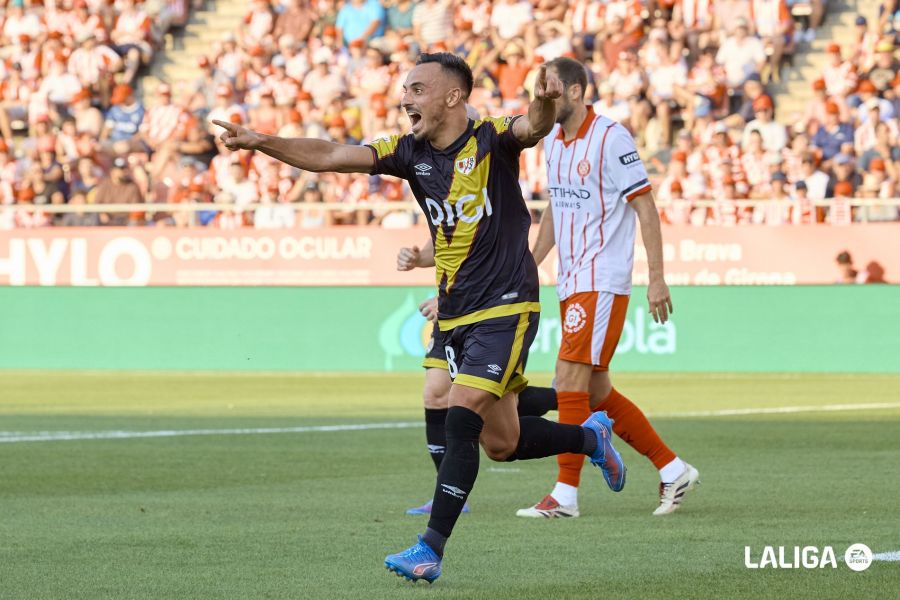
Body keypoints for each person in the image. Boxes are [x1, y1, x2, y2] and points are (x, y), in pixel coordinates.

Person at [215, 53, 627, 584]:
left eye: (415, 88)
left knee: (460, 415)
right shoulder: (406, 151)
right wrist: (262, 141)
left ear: (452, 97)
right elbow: (331, 155)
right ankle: (591, 438)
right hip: (455, 310)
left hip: (506, 302)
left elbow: (535, 125)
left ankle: (429, 549)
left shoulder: (492, 138)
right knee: (500, 444)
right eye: (404, 88)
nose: (403, 98)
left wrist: (545, 97)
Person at [521, 57, 699, 518]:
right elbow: (556, 212)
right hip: (571, 279)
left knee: (568, 379)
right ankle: (672, 469)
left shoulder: (610, 137)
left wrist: (655, 276)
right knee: (595, 390)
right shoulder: (552, 143)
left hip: (602, 279)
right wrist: (530, 265)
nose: (546, 97)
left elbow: (645, 207)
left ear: (577, 92)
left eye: (553, 89)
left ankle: (565, 494)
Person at [395, 245, 559, 517]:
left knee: (499, 426)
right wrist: (416, 258)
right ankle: (445, 494)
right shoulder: (441, 204)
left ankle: (569, 400)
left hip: (489, 312)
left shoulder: (491, 208)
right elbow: (436, 248)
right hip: (449, 310)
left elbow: (489, 256)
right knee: (435, 394)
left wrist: (456, 297)